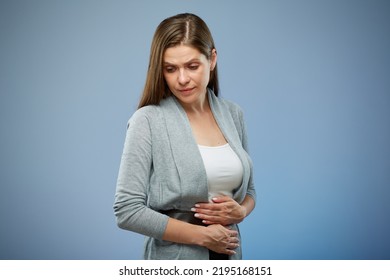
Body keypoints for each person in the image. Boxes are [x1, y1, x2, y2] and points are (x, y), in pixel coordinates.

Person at [114, 13, 256, 260]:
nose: (182, 79)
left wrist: (241, 212)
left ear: (212, 59)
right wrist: (201, 236)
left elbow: (250, 191)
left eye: (192, 66)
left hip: (230, 257)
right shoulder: (147, 120)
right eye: (170, 69)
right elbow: (127, 210)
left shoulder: (234, 114)